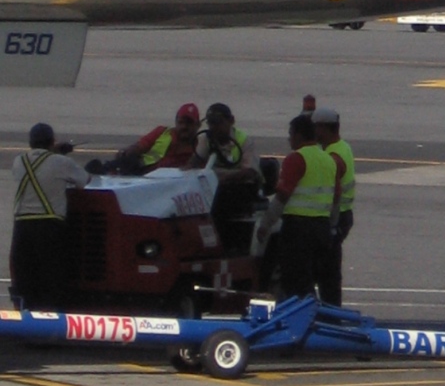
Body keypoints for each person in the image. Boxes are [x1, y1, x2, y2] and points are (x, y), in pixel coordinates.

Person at [257, 114, 339, 299]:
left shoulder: (296, 159)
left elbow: (282, 196)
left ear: (299, 136)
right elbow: (336, 198)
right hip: (322, 229)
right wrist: (332, 227)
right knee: (310, 280)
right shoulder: (328, 160)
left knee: (295, 282)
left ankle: (303, 321)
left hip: (299, 229)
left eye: (290, 134)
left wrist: (265, 224)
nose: (289, 139)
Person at [10, 122, 88, 311]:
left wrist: (55, 152)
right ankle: (53, 322)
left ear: (30, 142)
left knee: (25, 277)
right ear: (52, 141)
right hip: (49, 226)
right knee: (52, 277)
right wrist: (60, 154)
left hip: (22, 227)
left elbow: (42, 167)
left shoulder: (18, 162)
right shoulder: (62, 163)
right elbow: (84, 180)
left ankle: (24, 320)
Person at [193, 103, 262, 248]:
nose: (214, 127)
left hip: (239, 189)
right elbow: (194, 162)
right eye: (211, 123)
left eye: (218, 123)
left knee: (221, 203)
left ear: (231, 121)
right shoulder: (206, 139)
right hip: (210, 188)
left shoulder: (244, 140)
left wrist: (223, 179)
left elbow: (250, 171)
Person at [312, 106, 355, 306]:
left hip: (337, 217)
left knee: (327, 269)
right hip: (341, 216)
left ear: (324, 129)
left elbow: (335, 193)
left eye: (316, 127)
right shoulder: (339, 147)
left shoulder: (334, 157)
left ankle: (330, 313)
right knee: (325, 268)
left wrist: (331, 224)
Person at [110, 103, 200, 174]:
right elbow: (140, 146)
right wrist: (126, 153)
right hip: (142, 174)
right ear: (175, 122)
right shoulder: (162, 132)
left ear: (198, 125)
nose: (184, 127)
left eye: (189, 123)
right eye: (181, 122)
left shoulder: (200, 147)